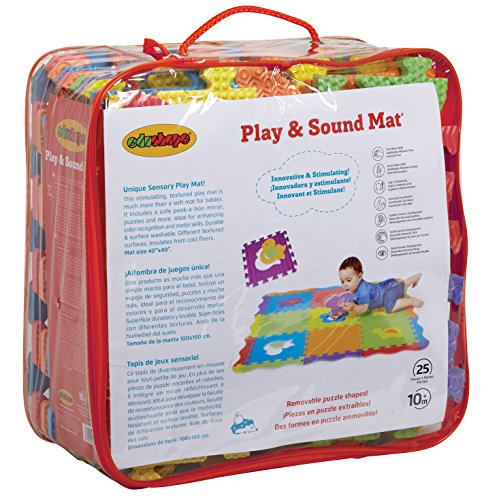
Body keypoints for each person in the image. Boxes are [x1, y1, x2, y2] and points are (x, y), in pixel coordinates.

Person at [338, 256, 423, 315]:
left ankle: (411, 301)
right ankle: (416, 277)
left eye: (348, 280)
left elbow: (363, 308)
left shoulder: (363, 291)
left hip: (388, 292)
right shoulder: (357, 286)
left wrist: (353, 307)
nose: (345, 284)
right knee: (401, 287)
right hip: (389, 285)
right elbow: (355, 300)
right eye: (342, 281)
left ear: (360, 276)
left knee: (390, 307)